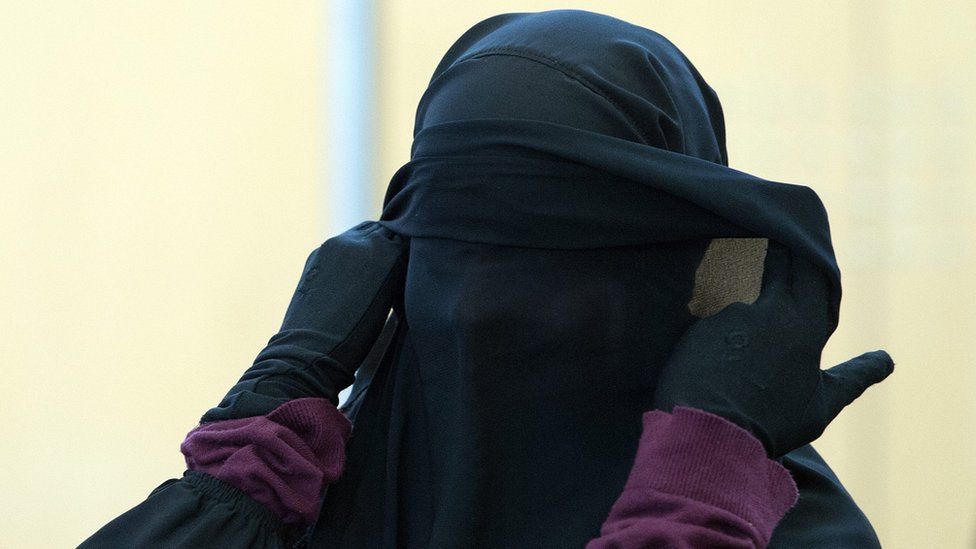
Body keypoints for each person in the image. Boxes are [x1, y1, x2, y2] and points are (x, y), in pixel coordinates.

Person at [79, 9, 895, 548]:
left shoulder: (785, 528)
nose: (473, 305)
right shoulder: (302, 505)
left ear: (677, 263)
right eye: (449, 247)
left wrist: (696, 496)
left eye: (545, 256)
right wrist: (272, 409)